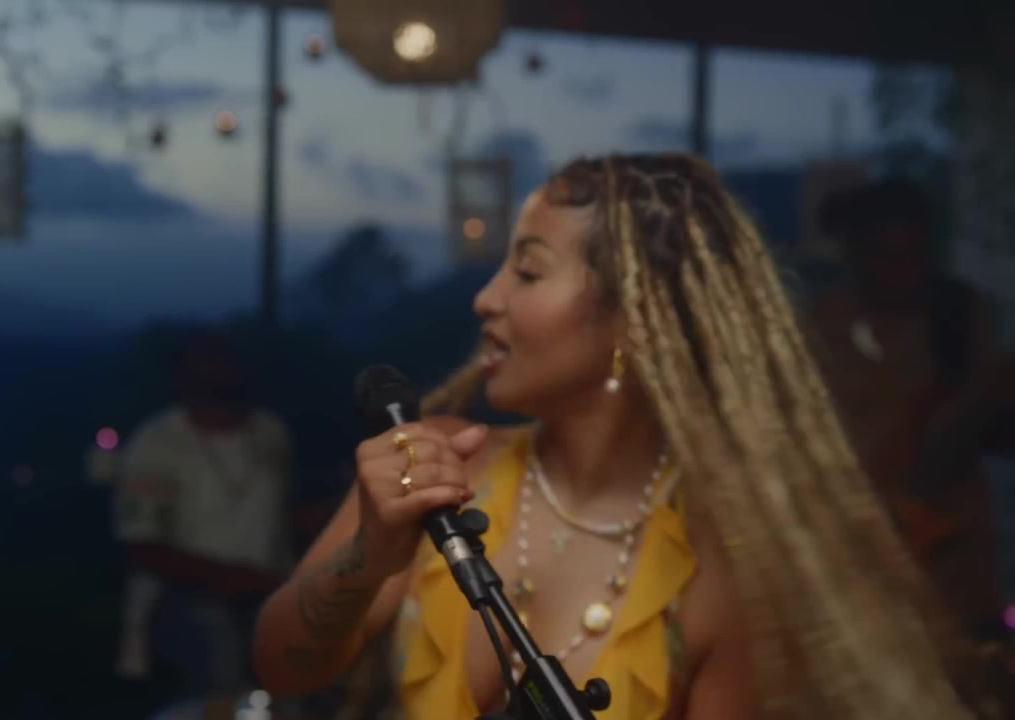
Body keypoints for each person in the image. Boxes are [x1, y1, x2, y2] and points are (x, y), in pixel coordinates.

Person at [253, 154, 977, 719]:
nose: (486, 297)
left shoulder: (717, 573)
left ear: (635, 318)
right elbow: (281, 668)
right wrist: (367, 556)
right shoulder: (441, 465)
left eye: (527, 271)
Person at [810, 178, 1009, 637]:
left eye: (913, 256)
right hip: (862, 553)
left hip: (953, 566)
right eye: (886, 256)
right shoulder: (828, 325)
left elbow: (984, 427)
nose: (902, 272)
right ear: (857, 254)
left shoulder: (958, 314)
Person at [114, 329, 293, 704]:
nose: (221, 370)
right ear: (181, 376)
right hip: (186, 601)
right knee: (218, 665)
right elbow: (141, 545)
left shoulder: (269, 431)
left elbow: (280, 513)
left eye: (225, 360)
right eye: (207, 361)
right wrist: (232, 578)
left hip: (271, 595)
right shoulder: (156, 443)